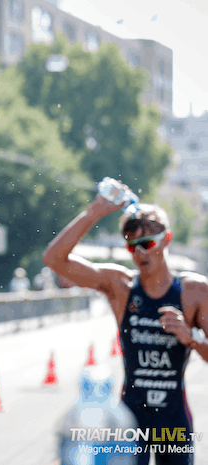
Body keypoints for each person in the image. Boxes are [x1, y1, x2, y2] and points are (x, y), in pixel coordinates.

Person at [43, 193, 208, 465]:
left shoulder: (194, 291)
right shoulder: (120, 286)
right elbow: (54, 259)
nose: (141, 252)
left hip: (173, 420)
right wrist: (95, 211)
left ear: (166, 239)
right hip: (130, 418)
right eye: (133, 246)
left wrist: (190, 339)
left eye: (148, 243)